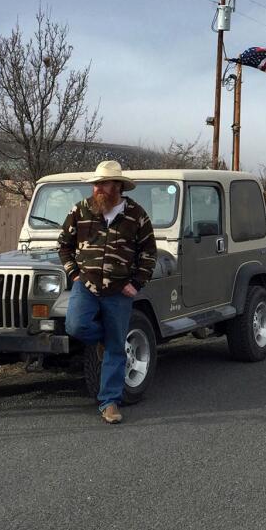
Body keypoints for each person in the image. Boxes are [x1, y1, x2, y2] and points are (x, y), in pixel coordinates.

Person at [58, 161, 157, 424]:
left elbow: (149, 254)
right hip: (86, 286)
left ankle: (109, 402)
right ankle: (102, 337)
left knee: (116, 346)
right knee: (76, 326)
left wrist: (136, 283)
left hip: (119, 291)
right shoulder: (80, 210)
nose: (97, 188)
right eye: (96, 183)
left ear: (118, 186)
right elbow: (63, 245)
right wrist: (74, 273)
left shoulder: (137, 215)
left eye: (103, 183)